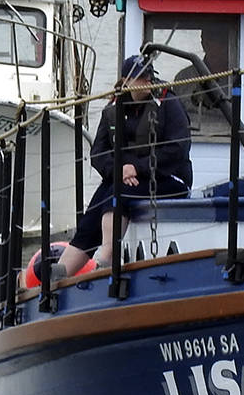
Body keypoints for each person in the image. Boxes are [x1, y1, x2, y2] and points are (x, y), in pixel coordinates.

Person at [48, 56, 191, 278]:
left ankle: (107, 258)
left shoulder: (168, 104)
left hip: (168, 179)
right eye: (140, 77)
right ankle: (62, 272)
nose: (147, 80)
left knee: (117, 192)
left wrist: (138, 168)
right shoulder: (114, 108)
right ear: (126, 81)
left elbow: (178, 149)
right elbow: (99, 152)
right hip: (125, 177)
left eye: (149, 75)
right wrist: (119, 170)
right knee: (97, 204)